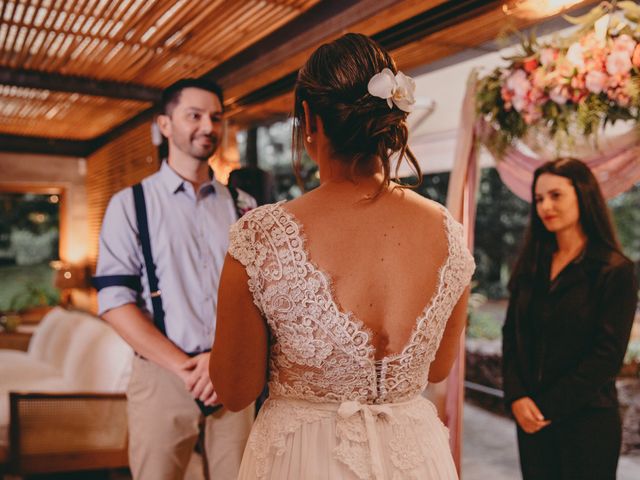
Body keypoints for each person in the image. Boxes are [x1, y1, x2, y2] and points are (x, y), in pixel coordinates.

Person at [209, 33, 475, 479]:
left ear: (309, 118)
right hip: (415, 458)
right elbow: (438, 369)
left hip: (303, 461)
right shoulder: (448, 231)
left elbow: (235, 391)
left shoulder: (262, 234)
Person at [95, 78, 254, 480]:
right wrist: (186, 366)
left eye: (216, 118)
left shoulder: (244, 206)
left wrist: (224, 362)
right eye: (194, 115)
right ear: (165, 125)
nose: (208, 127)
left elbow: (259, 300)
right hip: (163, 377)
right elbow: (115, 301)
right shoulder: (129, 205)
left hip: (232, 377)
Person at [502, 158, 638, 480]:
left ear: (583, 195)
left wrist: (546, 407)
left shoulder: (614, 270)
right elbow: (511, 336)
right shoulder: (530, 266)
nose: (545, 206)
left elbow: (607, 356)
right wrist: (517, 396)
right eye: (538, 199)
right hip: (532, 421)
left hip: (587, 423)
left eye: (556, 195)